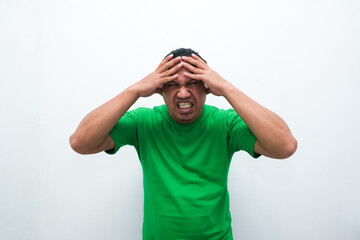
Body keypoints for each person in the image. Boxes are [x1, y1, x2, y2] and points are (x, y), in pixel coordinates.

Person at [70, 48, 297, 240]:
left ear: (207, 86)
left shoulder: (224, 123)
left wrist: (227, 88)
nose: (183, 92)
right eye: (172, 84)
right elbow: (81, 142)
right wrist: (135, 90)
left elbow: (285, 145)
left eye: (193, 83)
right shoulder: (144, 122)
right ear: (159, 88)